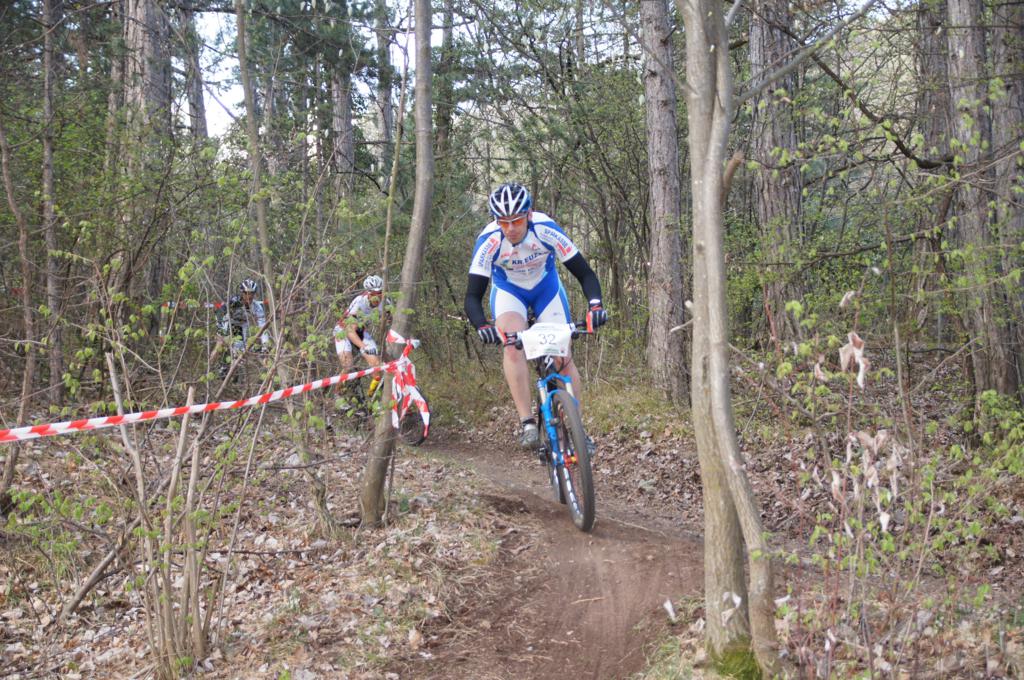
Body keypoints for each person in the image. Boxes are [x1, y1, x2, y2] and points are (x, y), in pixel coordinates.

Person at [464, 182, 608, 450]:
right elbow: (473, 296)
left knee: (562, 356)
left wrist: (595, 306)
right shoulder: (489, 241)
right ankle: (528, 422)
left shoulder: (545, 228)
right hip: (510, 292)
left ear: (529, 215)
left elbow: (585, 273)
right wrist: (481, 324)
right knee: (512, 347)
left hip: (546, 289)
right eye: (503, 222)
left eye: (517, 220)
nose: (510, 228)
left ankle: (577, 428)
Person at [334, 275, 388, 403]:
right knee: (348, 365)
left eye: (380, 294)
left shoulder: (386, 302)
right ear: (368, 294)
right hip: (343, 331)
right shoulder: (359, 302)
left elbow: (393, 321)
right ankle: (337, 395)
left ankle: (373, 399)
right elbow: (349, 330)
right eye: (374, 294)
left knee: (377, 365)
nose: (377, 298)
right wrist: (364, 347)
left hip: (361, 331)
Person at [216, 278, 269, 376]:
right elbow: (220, 313)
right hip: (227, 322)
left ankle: (233, 371)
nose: (249, 296)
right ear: (242, 293)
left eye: (252, 293)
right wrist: (220, 330)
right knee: (221, 345)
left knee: (240, 349)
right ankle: (217, 364)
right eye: (247, 293)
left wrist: (265, 345)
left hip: (242, 325)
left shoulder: (257, 306)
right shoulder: (233, 301)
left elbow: (263, 326)